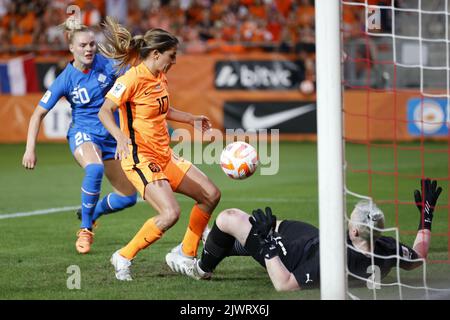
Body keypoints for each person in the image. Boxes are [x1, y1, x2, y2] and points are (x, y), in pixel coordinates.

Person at [98, 17, 221, 281]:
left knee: (211, 194)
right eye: (171, 56)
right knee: (170, 213)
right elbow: (104, 111)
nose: (174, 62)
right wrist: (119, 136)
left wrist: (190, 118)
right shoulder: (131, 78)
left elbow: (161, 110)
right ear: (156, 54)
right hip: (140, 157)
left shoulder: (160, 76)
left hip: (165, 154)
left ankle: (186, 255)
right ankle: (123, 256)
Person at [179, 178, 442, 291]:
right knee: (273, 223)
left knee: (229, 218)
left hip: (292, 255)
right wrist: (426, 216)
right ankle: (218, 243)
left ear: (352, 230)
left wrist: (268, 245)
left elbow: (285, 285)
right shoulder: (386, 248)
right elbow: (419, 256)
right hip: (311, 238)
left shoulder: (333, 261)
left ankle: (203, 268)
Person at [22, 21, 138, 254]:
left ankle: (93, 213)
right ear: (71, 48)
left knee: (128, 197)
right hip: (83, 134)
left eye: (92, 44)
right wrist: (29, 149)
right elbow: (37, 115)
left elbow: (136, 80)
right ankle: (86, 229)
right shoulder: (65, 79)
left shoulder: (109, 66)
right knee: (94, 169)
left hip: (112, 138)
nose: (89, 49)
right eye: (83, 45)